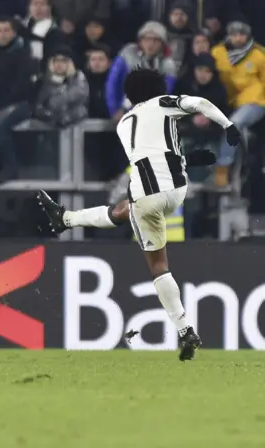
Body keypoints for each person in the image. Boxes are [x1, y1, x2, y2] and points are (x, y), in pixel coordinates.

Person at [38, 68, 242, 361]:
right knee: (125, 210)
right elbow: (201, 104)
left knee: (159, 265)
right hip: (176, 191)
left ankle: (185, 331)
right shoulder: (164, 103)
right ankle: (66, 219)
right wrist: (228, 125)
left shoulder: (123, 124)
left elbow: (146, 153)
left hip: (146, 195)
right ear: (158, 88)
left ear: (130, 95)